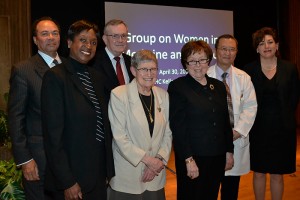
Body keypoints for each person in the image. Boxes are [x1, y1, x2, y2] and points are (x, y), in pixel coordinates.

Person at [41, 19, 114, 200]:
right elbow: (53, 137)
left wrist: (106, 170)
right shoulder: (55, 77)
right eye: (82, 40)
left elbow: (103, 126)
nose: (88, 45)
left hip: (97, 175)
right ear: (69, 43)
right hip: (71, 179)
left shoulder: (97, 78)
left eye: (93, 42)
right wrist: (67, 181)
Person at [168, 40, 234, 200]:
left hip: (217, 156)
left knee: (211, 195)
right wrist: (188, 159)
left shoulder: (218, 86)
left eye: (202, 60)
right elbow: (179, 128)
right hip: (193, 158)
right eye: (192, 61)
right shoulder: (178, 87)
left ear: (208, 61)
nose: (198, 65)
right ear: (185, 63)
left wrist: (229, 151)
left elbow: (225, 122)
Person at [8, 16, 64, 200]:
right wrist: (25, 160)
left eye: (55, 33)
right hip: (39, 161)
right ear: (35, 40)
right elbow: (16, 118)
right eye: (45, 34)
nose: (51, 37)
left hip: (68, 161)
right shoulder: (24, 70)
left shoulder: (70, 68)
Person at [107, 49, 172, 200]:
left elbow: (168, 133)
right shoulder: (119, 94)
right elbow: (120, 138)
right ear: (133, 71)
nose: (149, 74)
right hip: (128, 176)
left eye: (153, 69)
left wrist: (159, 160)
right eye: (144, 69)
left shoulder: (163, 95)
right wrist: (149, 162)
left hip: (155, 175)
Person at [244, 27, 300, 200]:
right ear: (256, 48)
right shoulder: (248, 70)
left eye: (270, 42)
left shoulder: (290, 68)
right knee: (259, 172)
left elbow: (294, 97)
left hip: (283, 130)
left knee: (277, 174)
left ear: (277, 45)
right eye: (261, 43)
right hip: (257, 130)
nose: (266, 46)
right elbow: (244, 100)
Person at [207, 34, 257, 200]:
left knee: (231, 191)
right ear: (215, 51)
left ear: (236, 52)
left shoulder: (244, 78)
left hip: (236, 140)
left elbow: (250, 108)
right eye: (224, 49)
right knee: (210, 189)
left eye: (232, 49)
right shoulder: (204, 76)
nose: (228, 53)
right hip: (212, 143)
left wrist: (237, 132)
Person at [92, 19, 134, 93]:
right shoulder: (93, 62)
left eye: (123, 35)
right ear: (105, 39)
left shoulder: (132, 61)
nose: (120, 40)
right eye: (115, 36)